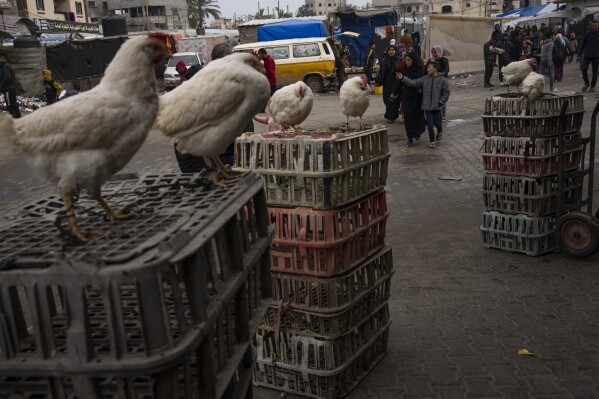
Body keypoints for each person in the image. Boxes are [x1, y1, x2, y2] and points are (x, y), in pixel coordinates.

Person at [397, 61, 450, 149]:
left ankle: (440, 131)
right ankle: (432, 140)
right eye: (427, 67)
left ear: (435, 69)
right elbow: (413, 83)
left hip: (437, 107)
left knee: (438, 123)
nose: (427, 69)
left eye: (429, 67)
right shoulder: (425, 79)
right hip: (427, 108)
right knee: (429, 124)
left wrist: (441, 102)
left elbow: (446, 92)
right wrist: (403, 78)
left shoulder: (443, 80)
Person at [391, 50, 425, 147]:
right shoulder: (404, 71)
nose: (407, 62)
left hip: (418, 97)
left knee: (418, 116)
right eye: (406, 60)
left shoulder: (421, 70)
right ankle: (410, 138)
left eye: (409, 60)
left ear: (414, 60)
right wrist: (394, 94)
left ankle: (417, 132)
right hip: (407, 97)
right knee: (408, 117)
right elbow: (399, 83)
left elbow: (422, 82)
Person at [376, 45, 400, 123]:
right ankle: (391, 114)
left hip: (396, 82)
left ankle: (391, 116)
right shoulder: (384, 60)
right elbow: (381, 71)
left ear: (395, 51)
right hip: (387, 82)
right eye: (390, 50)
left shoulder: (398, 60)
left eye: (393, 50)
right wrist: (378, 79)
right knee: (387, 99)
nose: (391, 51)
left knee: (394, 98)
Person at [425, 45, 449, 121]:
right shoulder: (431, 61)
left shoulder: (444, 60)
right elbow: (425, 69)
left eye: (436, 52)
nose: (434, 54)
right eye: (433, 53)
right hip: (432, 82)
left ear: (439, 51)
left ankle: (443, 116)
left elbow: (446, 71)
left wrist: (437, 75)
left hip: (442, 82)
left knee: (442, 98)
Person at [578, 21, 599, 92]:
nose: (593, 27)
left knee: (595, 72)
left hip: (596, 56)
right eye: (592, 26)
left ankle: (592, 86)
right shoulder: (588, 33)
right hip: (587, 55)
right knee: (584, 69)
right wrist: (579, 54)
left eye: (595, 26)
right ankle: (586, 83)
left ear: (598, 26)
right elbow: (583, 44)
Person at [0, 52, 21, 118]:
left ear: (3, 58)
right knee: (14, 104)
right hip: (11, 89)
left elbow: (7, 78)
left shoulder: (5, 66)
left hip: (8, 89)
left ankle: (14, 119)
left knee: (10, 105)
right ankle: (18, 118)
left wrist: (1, 85)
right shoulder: (8, 66)